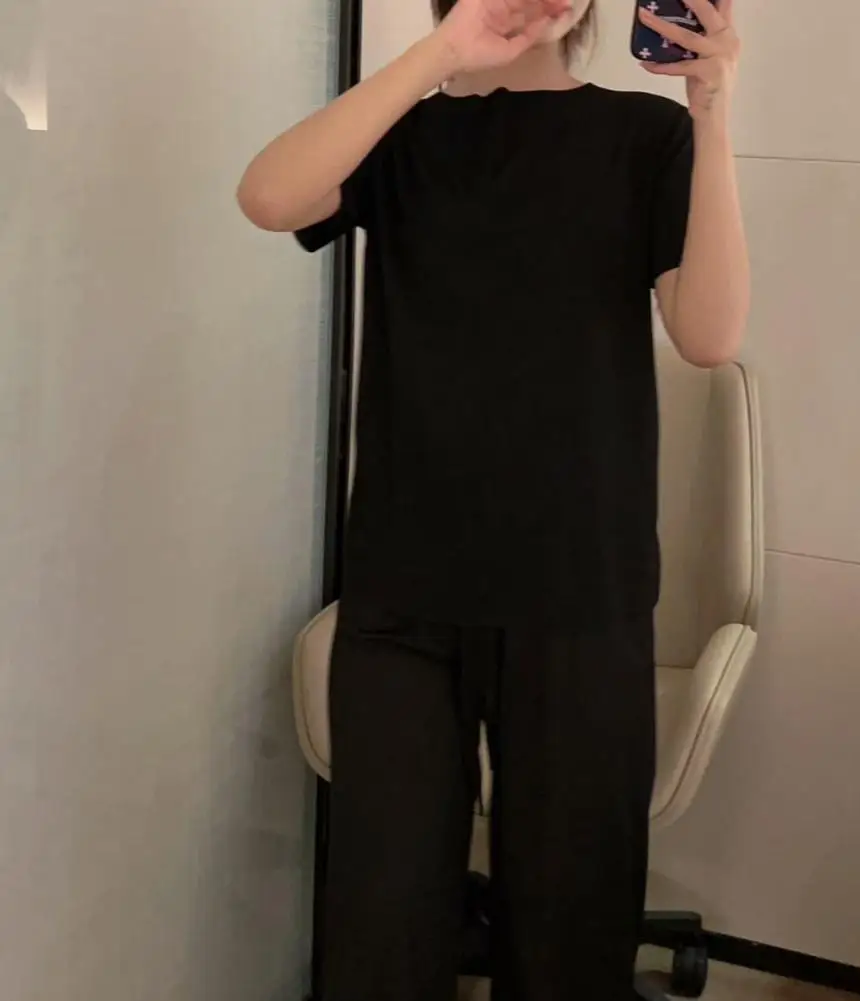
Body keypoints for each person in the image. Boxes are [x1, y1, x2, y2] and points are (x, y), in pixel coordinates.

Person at [238, 0, 748, 997]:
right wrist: (442, 52)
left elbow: (708, 334)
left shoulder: (641, 135)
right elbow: (267, 196)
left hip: (579, 592)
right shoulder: (402, 132)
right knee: (380, 931)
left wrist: (713, 112)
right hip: (403, 589)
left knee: (569, 938)